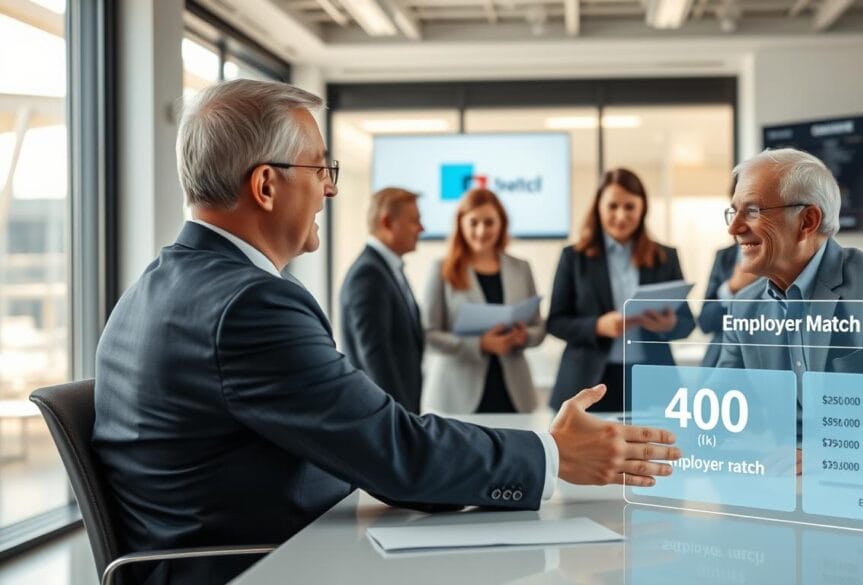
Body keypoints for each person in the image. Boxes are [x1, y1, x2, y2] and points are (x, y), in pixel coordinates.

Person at [92, 80, 680, 585]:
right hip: (256, 565)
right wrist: (553, 454)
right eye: (321, 168)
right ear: (266, 186)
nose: (331, 188)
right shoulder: (250, 304)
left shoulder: (154, 289)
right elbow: (397, 453)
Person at [716, 147, 863, 377]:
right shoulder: (743, 305)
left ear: (807, 221)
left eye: (753, 211)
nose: (733, 228)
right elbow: (721, 402)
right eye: (733, 212)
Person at [548, 168, 696, 413]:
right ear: (598, 208)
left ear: (642, 209)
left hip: (651, 379)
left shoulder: (665, 257)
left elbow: (687, 322)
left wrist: (669, 325)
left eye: (630, 207)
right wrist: (597, 326)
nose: (621, 215)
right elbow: (555, 321)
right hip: (588, 380)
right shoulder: (574, 258)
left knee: (657, 449)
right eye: (613, 206)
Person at [422, 189, 545, 414]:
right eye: (473, 222)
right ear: (461, 224)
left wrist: (524, 336)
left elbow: (538, 328)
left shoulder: (521, 268)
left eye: (489, 222)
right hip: (457, 394)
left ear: (501, 224)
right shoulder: (442, 269)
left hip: (513, 392)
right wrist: (480, 344)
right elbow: (429, 335)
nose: (481, 231)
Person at [341, 187, 425, 413]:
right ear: (387, 223)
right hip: (386, 416)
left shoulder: (388, 269)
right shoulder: (369, 274)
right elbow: (375, 354)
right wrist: (400, 419)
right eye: (414, 221)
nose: (422, 228)